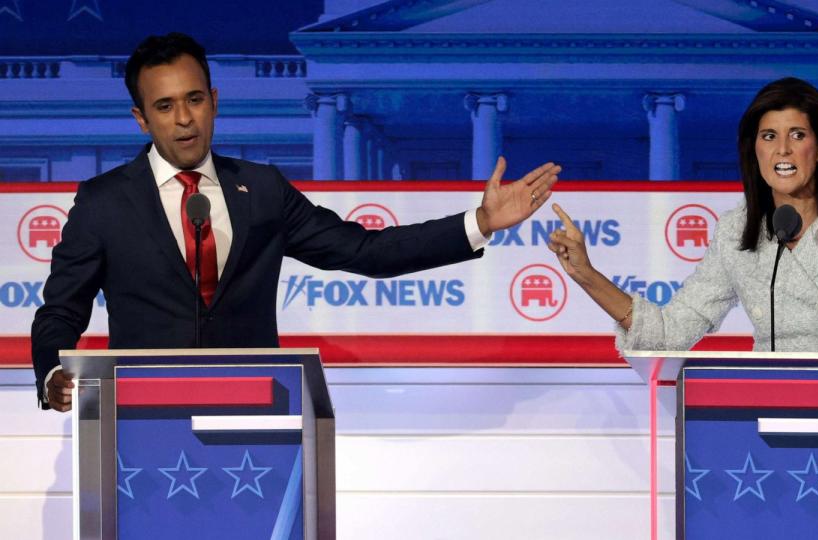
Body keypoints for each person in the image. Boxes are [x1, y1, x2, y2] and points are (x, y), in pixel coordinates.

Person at [33, 33, 560, 411]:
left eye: (195, 100)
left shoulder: (261, 189)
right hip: (143, 415)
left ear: (214, 102)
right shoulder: (104, 202)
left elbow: (366, 252)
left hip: (254, 410)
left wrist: (480, 222)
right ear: (141, 118)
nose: (184, 119)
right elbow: (60, 310)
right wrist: (53, 372)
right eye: (165, 106)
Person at [547, 77, 818, 397]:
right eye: (769, 136)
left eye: (797, 135)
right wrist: (586, 274)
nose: (783, 150)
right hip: (769, 405)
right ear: (754, 150)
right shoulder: (735, 231)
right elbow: (670, 332)